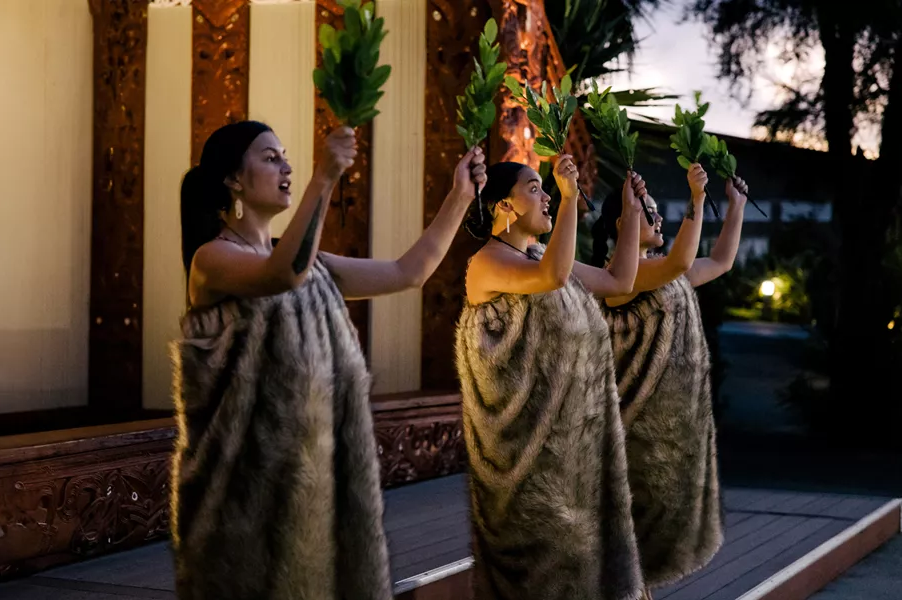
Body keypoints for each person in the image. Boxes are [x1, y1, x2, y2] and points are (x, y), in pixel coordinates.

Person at [170, 120, 486, 600]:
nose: (287, 167)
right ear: (234, 179)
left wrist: (460, 195)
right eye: (270, 157)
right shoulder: (212, 260)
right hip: (241, 493)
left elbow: (409, 272)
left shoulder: (311, 262)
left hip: (311, 482)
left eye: (286, 156)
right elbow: (281, 274)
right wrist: (325, 177)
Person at [455, 155, 649, 600]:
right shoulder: (485, 264)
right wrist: (566, 198)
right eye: (534, 188)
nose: (544, 196)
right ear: (504, 206)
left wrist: (631, 213)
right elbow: (553, 278)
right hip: (519, 449)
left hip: (565, 439)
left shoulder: (539, 253)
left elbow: (619, 281)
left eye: (545, 188)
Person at [592, 164, 749, 597]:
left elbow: (719, 261)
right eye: (649, 211)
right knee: (626, 553)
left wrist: (734, 206)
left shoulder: (659, 271)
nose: (659, 218)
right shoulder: (619, 278)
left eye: (660, 212)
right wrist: (696, 199)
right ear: (622, 221)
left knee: (643, 554)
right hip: (631, 430)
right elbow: (681, 259)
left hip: (665, 433)